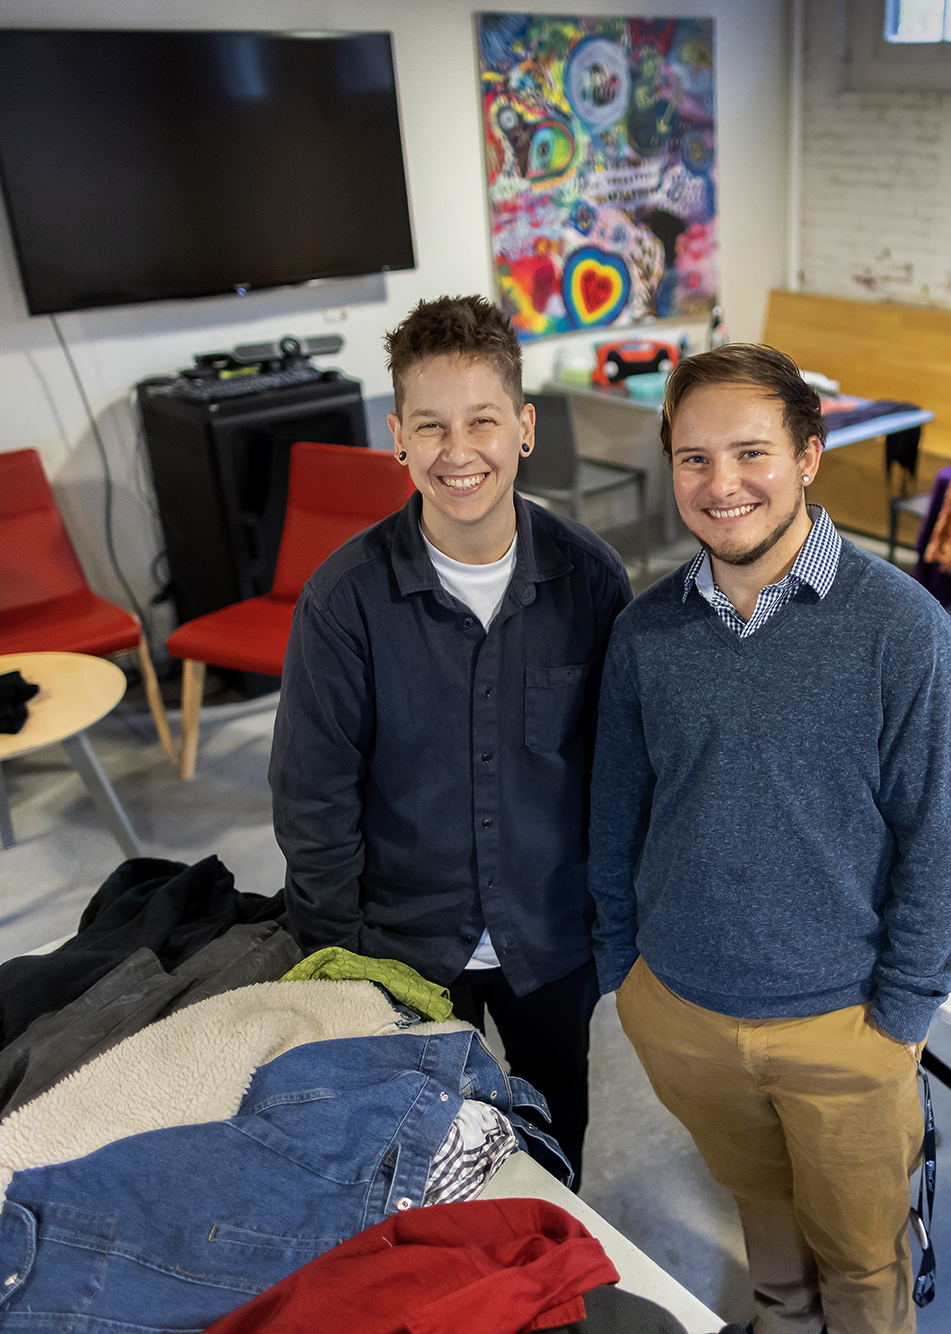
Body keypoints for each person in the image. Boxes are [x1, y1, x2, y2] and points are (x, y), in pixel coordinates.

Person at [589, 343, 951, 1334]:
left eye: (751, 452)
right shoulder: (646, 635)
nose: (722, 485)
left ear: (808, 454)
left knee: (861, 1265)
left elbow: (941, 839)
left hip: (843, 1023)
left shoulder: (903, 632)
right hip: (681, 1007)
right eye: (693, 458)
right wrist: (621, 971)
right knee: (765, 1225)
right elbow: (615, 810)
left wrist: (898, 1016)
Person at [270, 295, 632, 1183]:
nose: (458, 452)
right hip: (402, 945)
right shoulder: (343, 599)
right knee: (419, 1155)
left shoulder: (592, 582)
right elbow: (313, 796)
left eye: (483, 421)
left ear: (526, 427)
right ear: (397, 435)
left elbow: (622, 774)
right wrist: (343, 957)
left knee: (554, 1126)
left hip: (553, 939)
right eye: (431, 426)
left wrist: (610, 925)